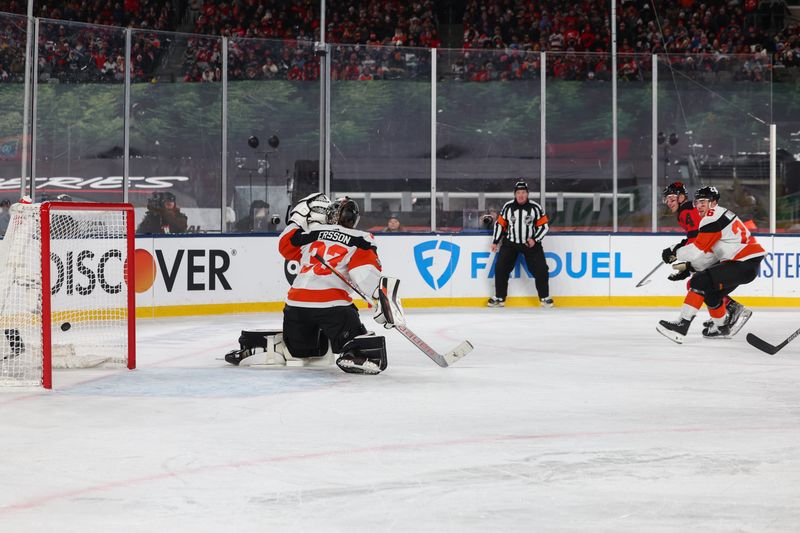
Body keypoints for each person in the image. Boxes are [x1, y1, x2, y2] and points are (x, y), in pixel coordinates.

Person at [224, 193, 404, 375]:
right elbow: (363, 273)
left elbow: (284, 245)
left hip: (295, 308)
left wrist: (297, 218)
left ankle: (274, 346)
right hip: (332, 308)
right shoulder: (361, 238)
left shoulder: (311, 233)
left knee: (302, 351)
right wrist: (381, 298)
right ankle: (355, 352)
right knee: (353, 337)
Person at [657, 186, 765, 342]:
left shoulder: (711, 216)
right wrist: (689, 267)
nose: (699, 206)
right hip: (746, 265)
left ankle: (682, 324)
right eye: (697, 202)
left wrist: (675, 253)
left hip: (741, 263)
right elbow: (709, 256)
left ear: (713, 202)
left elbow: (696, 251)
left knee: (698, 281)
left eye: (703, 202)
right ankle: (722, 328)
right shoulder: (720, 214)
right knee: (710, 293)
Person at [487, 180, 553, 308]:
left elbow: (544, 226)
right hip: (510, 243)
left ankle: (544, 297)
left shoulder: (536, 208)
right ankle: (500, 297)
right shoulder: (508, 207)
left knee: (541, 270)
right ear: (515, 194)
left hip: (531, 244)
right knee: (500, 268)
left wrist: (535, 239)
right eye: (518, 192)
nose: (521, 195)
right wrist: (495, 241)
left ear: (527, 194)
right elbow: (500, 224)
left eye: (523, 192)